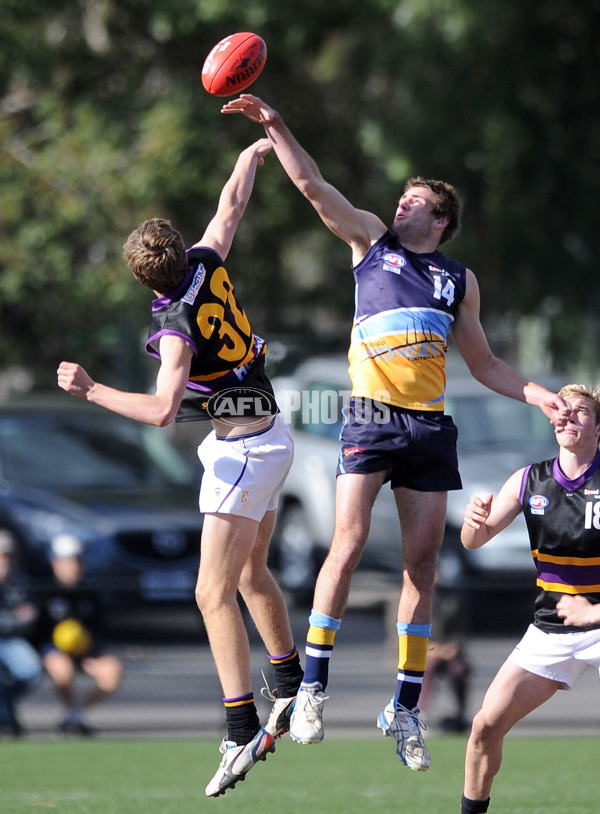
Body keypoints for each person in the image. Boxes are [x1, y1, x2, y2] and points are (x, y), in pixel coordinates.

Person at [220, 94, 571, 770]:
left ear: (440, 219)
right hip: (371, 416)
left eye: (414, 202)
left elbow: (486, 362)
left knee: (423, 566)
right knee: (346, 543)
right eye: (401, 199)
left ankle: (404, 705)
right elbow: (314, 188)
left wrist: (542, 397)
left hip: (430, 426)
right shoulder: (371, 243)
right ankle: (312, 689)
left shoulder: (457, 281)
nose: (401, 206)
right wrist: (277, 126)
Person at [56, 138, 303, 796]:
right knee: (250, 574)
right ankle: (291, 685)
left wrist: (90, 390)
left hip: (243, 450)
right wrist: (253, 149)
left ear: (142, 277)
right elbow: (231, 205)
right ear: (178, 248)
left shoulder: (172, 324)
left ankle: (239, 725)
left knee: (209, 593)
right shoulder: (206, 261)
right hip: (271, 435)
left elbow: (164, 409)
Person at [460, 383, 600, 813]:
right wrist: (473, 522)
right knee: (484, 727)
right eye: (561, 409)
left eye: (581, 411)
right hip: (550, 630)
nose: (568, 416)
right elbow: (473, 541)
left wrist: (593, 610)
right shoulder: (529, 479)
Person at [34, 534, 122, 736]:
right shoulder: (43, 590)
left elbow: (100, 628)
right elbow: (37, 633)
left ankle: (76, 715)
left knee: (112, 672)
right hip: (54, 649)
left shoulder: (89, 591)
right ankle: (73, 715)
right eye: (67, 561)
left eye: (77, 560)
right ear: (55, 563)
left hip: (86, 649)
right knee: (62, 670)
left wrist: (88, 648)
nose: (74, 566)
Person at [0, 529, 42, 736]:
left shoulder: (19, 582)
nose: (4, 559)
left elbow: (29, 616)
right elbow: (19, 617)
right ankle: (5, 717)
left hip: (10, 640)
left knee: (30, 671)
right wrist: (13, 619)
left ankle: (5, 706)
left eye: (7, 554)